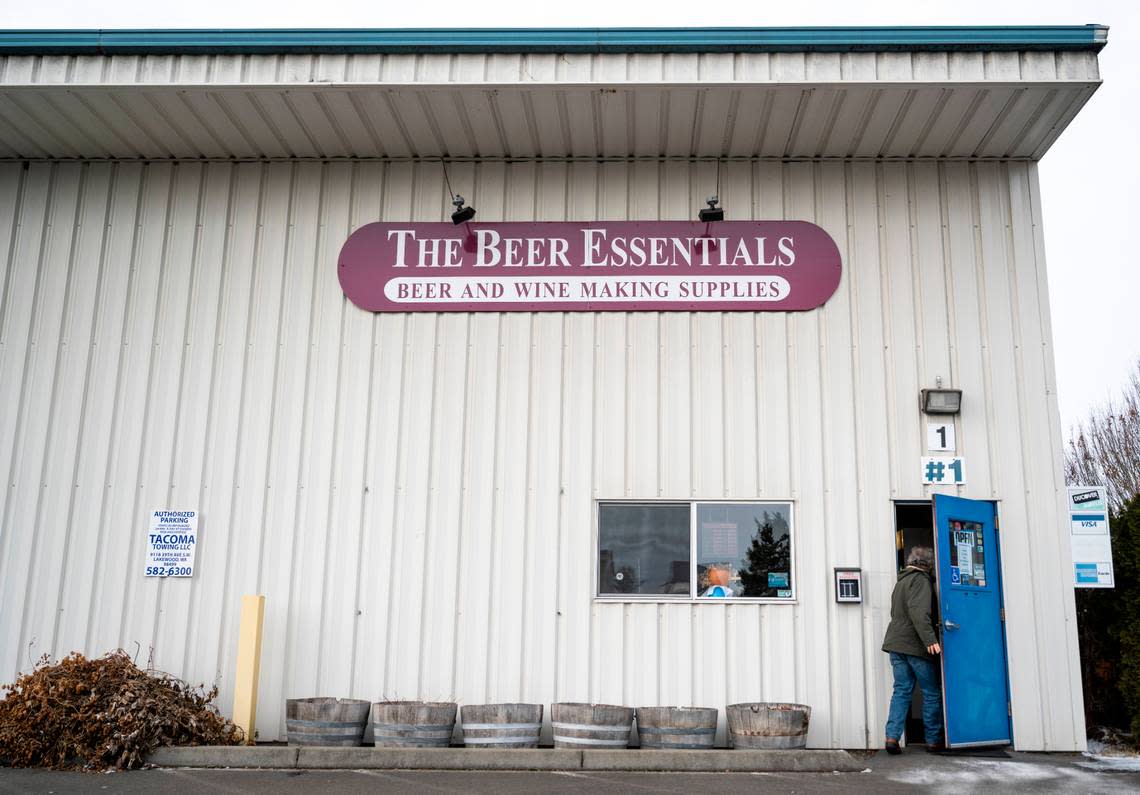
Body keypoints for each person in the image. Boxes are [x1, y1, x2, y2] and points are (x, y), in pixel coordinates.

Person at [882, 545, 946, 754]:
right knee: (931, 692)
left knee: (901, 690)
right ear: (928, 565)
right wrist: (930, 640)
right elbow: (919, 613)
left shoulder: (901, 582)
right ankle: (934, 740)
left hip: (895, 644)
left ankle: (892, 737)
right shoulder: (921, 581)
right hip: (914, 645)